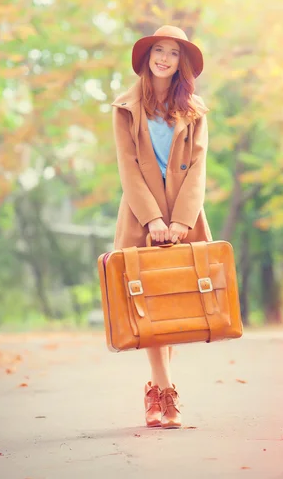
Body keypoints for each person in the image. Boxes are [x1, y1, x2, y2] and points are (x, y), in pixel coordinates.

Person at [111, 25, 212, 429]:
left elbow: (198, 169)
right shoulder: (124, 108)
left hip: (183, 217)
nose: (164, 57)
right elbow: (128, 167)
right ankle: (167, 397)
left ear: (181, 62)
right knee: (148, 304)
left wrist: (181, 221)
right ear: (147, 56)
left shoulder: (195, 110)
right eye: (158, 50)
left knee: (172, 305)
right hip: (141, 216)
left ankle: (155, 391)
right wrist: (153, 218)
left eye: (173, 52)